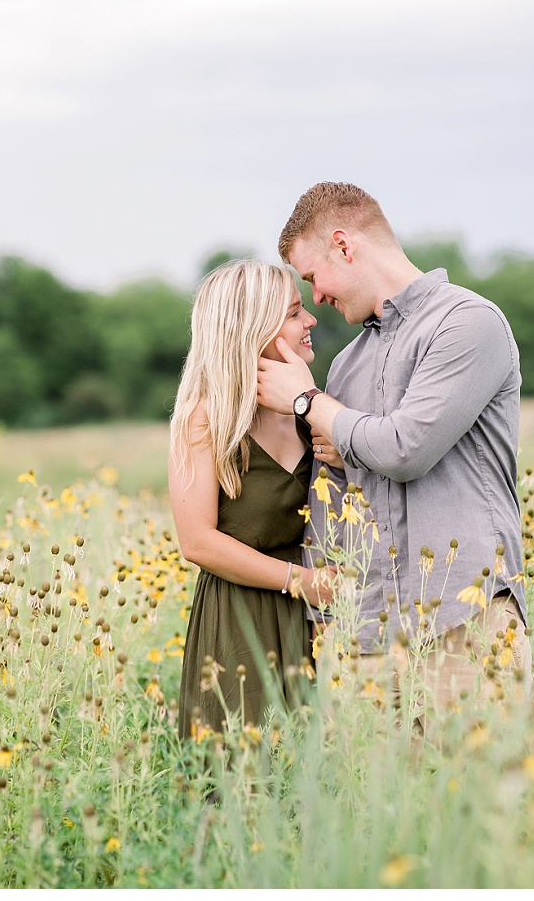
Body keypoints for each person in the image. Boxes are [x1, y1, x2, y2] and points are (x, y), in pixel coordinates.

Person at [255, 182, 529, 707]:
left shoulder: (467, 323)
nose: (317, 298)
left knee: (479, 789)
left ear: (344, 244)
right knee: (366, 791)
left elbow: (406, 449)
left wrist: (313, 405)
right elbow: (331, 502)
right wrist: (328, 625)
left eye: (313, 276)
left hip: (464, 624)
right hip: (365, 642)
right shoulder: (346, 364)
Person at [168, 260, 337, 741]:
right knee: (244, 783)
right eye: (294, 312)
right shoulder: (204, 420)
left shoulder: (313, 408)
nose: (311, 321)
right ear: (252, 327)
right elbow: (198, 541)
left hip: (320, 620)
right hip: (241, 622)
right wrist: (301, 582)